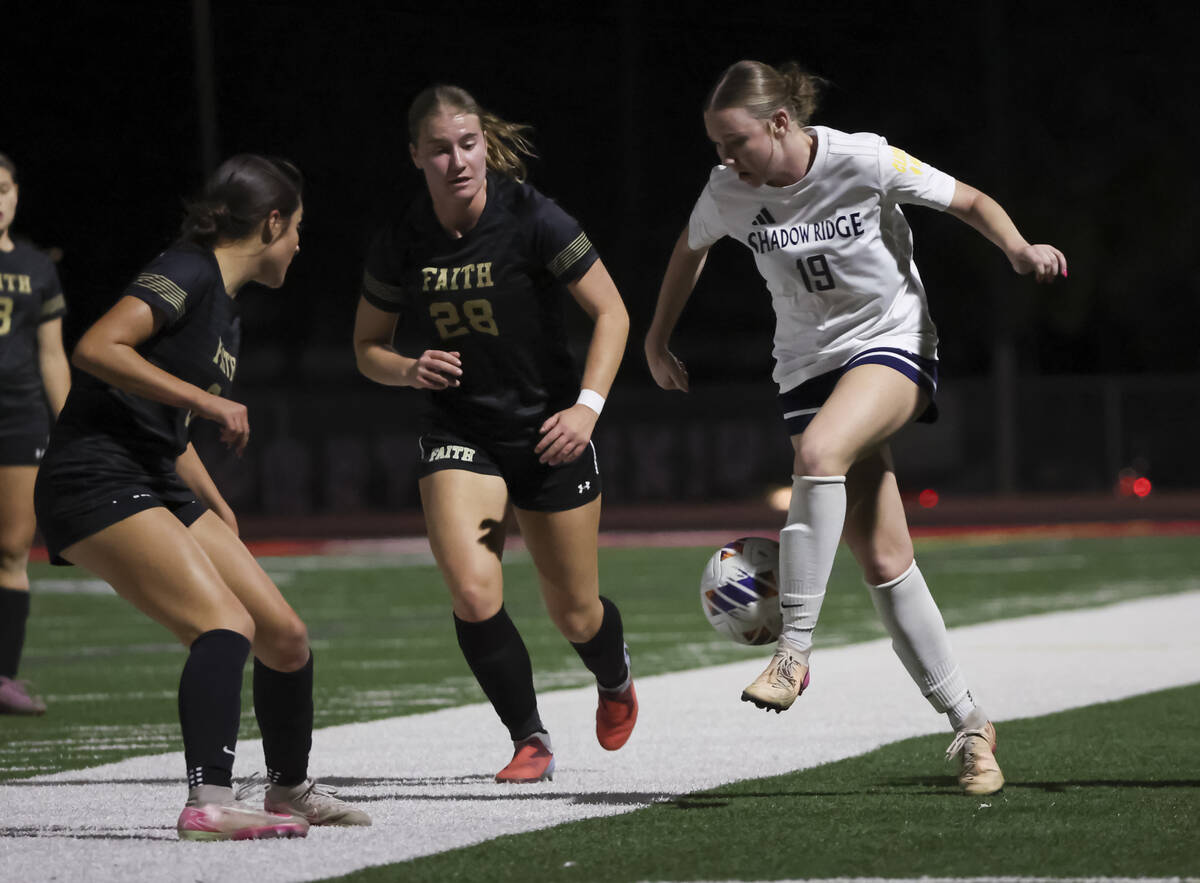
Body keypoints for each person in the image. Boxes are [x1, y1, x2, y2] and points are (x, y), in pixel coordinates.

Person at [645, 60, 1067, 796]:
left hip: (895, 343)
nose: (725, 157)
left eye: (735, 140)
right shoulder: (729, 192)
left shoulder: (861, 158)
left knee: (819, 449)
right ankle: (971, 722)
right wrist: (657, 340)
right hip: (806, 368)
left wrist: (1018, 247)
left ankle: (794, 654)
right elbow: (689, 249)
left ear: (781, 123)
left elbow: (967, 199)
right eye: (716, 144)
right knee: (883, 558)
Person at [33, 155, 371, 839]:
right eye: (297, 226)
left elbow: (164, 423)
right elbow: (98, 346)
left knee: (285, 636)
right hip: (95, 477)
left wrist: (218, 504)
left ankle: (288, 789)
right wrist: (205, 403)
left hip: (153, 473)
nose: (301, 243)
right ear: (272, 222)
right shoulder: (189, 268)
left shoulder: (227, 313)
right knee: (224, 625)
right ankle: (207, 802)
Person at [353, 84, 636, 783]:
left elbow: (613, 313)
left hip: (548, 432)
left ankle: (615, 676)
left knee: (575, 612)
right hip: (458, 430)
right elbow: (367, 347)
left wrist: (587, 409)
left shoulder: (532, 216)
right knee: (474, 593)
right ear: (416, 154)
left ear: (485, 144)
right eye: (442, 148)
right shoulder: (402, 237)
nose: (458, 160)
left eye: (469, 144)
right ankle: (529, 737)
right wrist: (408, 367)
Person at [0, 152, 70, 716]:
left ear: (16, 194)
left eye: (2, 189)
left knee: (11, 548)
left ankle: (2, 677)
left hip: (20, 419)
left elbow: (52, 356)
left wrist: (69, 425)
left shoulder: (37, 267)